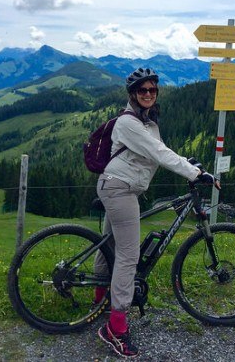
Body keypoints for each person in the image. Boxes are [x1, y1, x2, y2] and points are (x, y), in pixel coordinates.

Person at [94, 67, 219, 358]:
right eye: (143, 90)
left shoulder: (147, 122)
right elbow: (158, 154)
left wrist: (188, 164)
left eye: (152, 90)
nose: (148, 94)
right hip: (119, 188)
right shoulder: (128, 123)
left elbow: (158, 148)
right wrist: (195, 173)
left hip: (119, 187)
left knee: (109, 246)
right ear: (133, 94)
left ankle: (99, 300)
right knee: (128, 255)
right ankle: (114, 327)